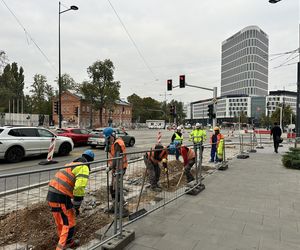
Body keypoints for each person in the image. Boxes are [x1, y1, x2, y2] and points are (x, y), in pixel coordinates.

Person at [46, 150, 95, 250]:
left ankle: (67, 241)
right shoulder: (83, 167)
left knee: (61, 221)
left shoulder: (71, 164)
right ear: (90, 161)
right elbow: (79, 187)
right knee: (69, 222)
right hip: (61, 196)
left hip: (51, 194)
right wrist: (77, 205)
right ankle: (63, 246)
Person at [103, 127, 129, 215]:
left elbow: (116, 159)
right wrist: (108, 146)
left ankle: (123, 209)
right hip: (117, 168)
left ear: (112, 135)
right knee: (113, 188)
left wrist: (110, 168)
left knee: (116, 188)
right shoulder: (115, 142)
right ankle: (115, 206)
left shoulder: (118, 143)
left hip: (120, 169)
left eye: (108, 138)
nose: (108, 140)